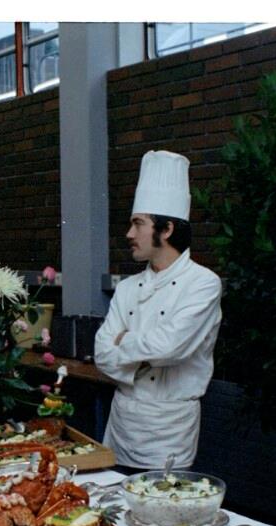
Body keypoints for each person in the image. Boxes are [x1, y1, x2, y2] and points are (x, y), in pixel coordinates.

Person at [94, 150, 222, 472]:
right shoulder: (127, 288)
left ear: (166, 230)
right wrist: (143, 353)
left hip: (169, 433)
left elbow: (170, 347)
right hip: (121, 429)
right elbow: (102, 353)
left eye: (138, 224)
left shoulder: (203, 284)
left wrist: (123, 341)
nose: (129, 234)